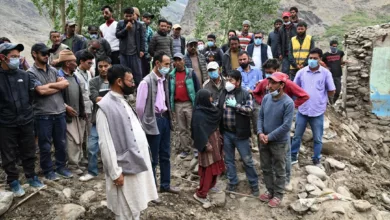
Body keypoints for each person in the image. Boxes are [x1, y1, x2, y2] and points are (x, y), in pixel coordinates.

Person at [97, 64, 158, 219]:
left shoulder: (122, 100)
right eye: (130, 81)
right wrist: (115, 172)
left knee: (135, 206)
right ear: (119, 81)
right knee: (125, 210)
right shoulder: (104, 107)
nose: (133, 84)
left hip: (134, 164)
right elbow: (105, 144)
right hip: (123, 169)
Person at [252, 59, 309, 188]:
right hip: (269, 121)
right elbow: (256, 93)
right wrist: (265, 105)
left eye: (270, 73)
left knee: (284, 155)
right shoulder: (267, 86)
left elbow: (304, 95)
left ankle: (285, 181)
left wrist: (291, 107)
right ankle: (272, 184)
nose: (269, 82)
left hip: (283, 122)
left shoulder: (287, 85)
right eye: (266, 74)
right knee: (269, 157)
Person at [0, 43, 44, 197]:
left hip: (26, 120)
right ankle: (13, 181)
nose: (16, 60)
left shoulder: (24, 76)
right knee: (8, 154)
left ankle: (31, 176)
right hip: (6, 124)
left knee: (29, 150)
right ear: (2, 57)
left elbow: (31, 98)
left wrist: (27, 114)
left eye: (18, 57)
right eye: (13, 57)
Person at [136, 52, 180, 203]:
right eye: (166, 64)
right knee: (153, 158)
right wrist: (144, 124)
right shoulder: (146, 82)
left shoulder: (164, 80)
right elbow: (140, 107)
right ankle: (152, 190)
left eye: (169, 64)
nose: (169, 67)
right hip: (152, 120)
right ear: (157, 64)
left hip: (164, 119)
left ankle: (165, 185)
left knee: (165, 154)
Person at [28, 43, 72, 180]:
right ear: (34, 54)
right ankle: (48, 170)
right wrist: (57, 86)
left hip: (59, 112)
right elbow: (40, 91)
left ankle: (61, 167)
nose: (46, 56)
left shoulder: (53, 70)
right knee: (45, 145)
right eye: (43, 53)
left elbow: (65, 83)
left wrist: (50, 86)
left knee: (61, 143)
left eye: (48, 53)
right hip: (43, 114)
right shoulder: (30, 73)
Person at [291, 48, 336, 167]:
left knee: (317, 138)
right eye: (310, 58)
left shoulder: (326, 73)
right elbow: (295, 88)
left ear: (320, 59)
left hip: (317, 111)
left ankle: (316, 159)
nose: (312, 60)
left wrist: (321, 97)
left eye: (315, 58)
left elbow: (332, 90)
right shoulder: (301, 72)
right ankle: (293, 155)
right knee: (297, 136)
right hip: (303, 109)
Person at [218, 70, 259, 196]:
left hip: (240, 134)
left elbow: (250, 110)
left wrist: (236, 106)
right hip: (227, 133)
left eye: (231, 80)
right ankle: (233, 182)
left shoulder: (245, 94)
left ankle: (254, 184)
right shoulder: (223, 93)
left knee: (247, 160)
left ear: (238, 81)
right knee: (229, 160)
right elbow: (218, 107)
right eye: (227, 80)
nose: (228, 83)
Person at [257, 72, 294, 208]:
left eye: (273, 83)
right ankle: (270, 190)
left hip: (278, 142)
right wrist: (260, 132)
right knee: (266, 167)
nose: (269, 86)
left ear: (282, 85)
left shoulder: (288, 103)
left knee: (279, 169)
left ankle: (278, 194)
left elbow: (286, 126)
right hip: (264, 139)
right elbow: (260, 117)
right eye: (269, 83)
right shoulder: (266, 98)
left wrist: (269, 136)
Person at [79, 56, 112, 182]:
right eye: (100, 66)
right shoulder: (93, 81)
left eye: (106, 66)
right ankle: (92, 171)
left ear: (110, 66)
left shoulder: (117, 79)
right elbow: (95, 97)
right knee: (92, 146)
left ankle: (114, 170)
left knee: (115, 146)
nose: (103, 69)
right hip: (98, 118)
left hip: (114, 119)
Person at [191, 89, 225, 207]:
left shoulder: (210, 111)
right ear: (204, 99)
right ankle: (201, 194)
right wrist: (206, 145)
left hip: (215, 143)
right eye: (210, 97)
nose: (211, 99)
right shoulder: (198, 115)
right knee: (208, 170)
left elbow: (218, 113)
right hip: (208, 146)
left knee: (212, 168)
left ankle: (206, 188)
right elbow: (198, 132)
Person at [58, 50, 87, 175]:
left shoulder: (74, 76)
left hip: (77, 114)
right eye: (73, 62)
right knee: (71, 140)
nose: (76, 64)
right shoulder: (59, 77)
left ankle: (77, 162)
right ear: (66, 63)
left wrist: (82, 110)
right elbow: (56, 97)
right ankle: (72, 165)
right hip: (66, 115)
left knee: (79, 139)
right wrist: (65, 107)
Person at [169, 53, 200, 158]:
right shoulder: (171, 75)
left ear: (184, 61)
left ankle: (196, 148)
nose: (177, 62)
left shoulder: (190, 73)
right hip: (178, 104)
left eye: (179, 60)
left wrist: (197, 103)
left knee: (193, 126)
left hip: (189, 103)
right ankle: (185, 149)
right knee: (182, 128)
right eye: (175, 60)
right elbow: (170, 91)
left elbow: (197, 88)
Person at [115, 7, 145, 87]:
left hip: (135, 53)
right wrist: (126, 29)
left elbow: (142, 38)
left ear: (133, 15)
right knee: (124, 74)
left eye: (130, 16)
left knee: (138, 74)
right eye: (126, 16)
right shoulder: (120, 23)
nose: (128, 18)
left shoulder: (139, 25)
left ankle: (139, 92)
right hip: (123, 54)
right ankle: (127, 93)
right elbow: (118, 35)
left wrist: (142, 50)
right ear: (123, 15)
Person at [322, 40, 345, 104]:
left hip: (338, 75)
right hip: (329, 76)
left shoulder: (340, 53)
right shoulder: (326, 55)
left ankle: (333, 102)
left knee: (338, 91)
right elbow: (321, 63)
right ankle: (330, 103)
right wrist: (326, 67)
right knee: (329, 90)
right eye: (333, 46)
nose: (334, 47)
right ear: (330, 46)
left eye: (336, 46)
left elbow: (341, 62)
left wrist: (344, 62)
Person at [142, 12, 155, 77]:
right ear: (142, 18)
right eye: (146, 19)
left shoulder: (150, 30)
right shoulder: (138, 27)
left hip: (146, 55)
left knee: (146, 72)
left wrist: (150, 54)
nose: (148, 21)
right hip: (137, 54)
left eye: (149, 19)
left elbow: (151, 43)